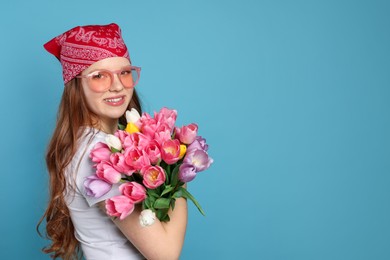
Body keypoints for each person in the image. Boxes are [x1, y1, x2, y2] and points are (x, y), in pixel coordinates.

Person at [37, 23, 188, 260]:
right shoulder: (99, 154)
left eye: (124, 72)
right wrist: (179, 170)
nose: (117, 85)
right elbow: (165, 253)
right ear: (77, 85)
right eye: (99, 76)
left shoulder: (93, 144)